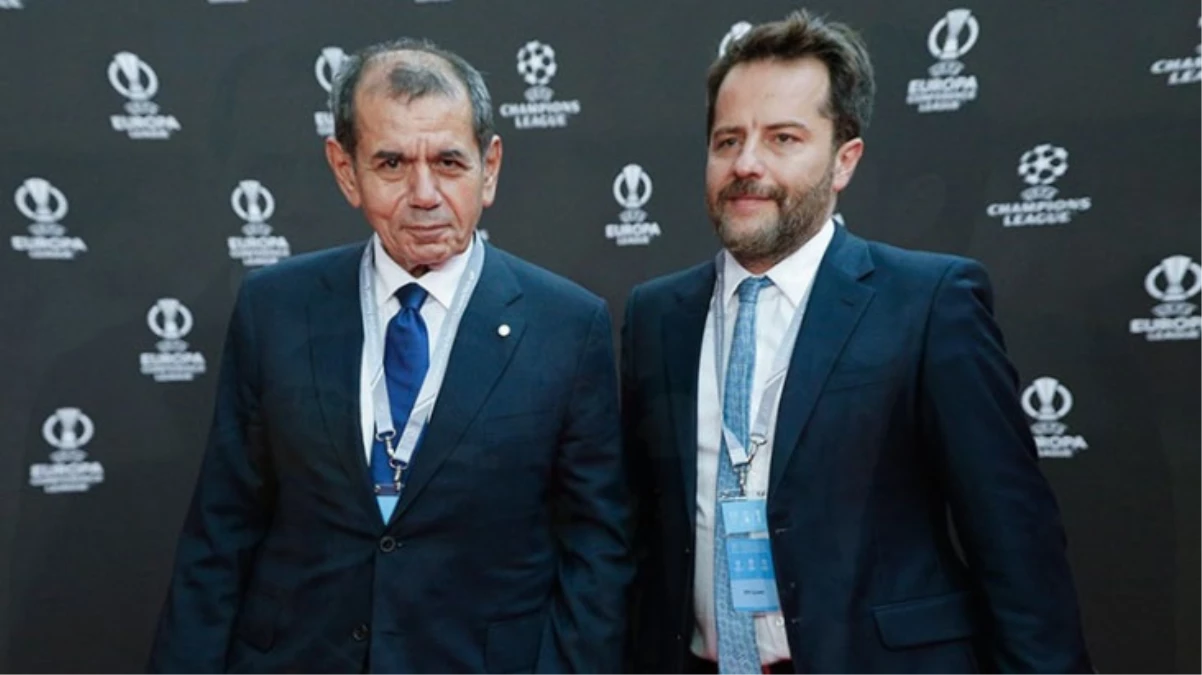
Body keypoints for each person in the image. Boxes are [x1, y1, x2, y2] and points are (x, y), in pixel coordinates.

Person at [621, 11, 1094, 675]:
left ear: (844, 160)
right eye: (728, 140)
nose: (746, 164)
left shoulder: (928, 303)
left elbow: (1016, 541)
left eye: (783, 138)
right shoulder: (656, 316)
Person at [147, 38, 630, 675]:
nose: (424, 193)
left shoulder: (566, 326)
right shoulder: (276, 308)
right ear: (346, 170)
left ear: (489, 167)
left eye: (449, 163)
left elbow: (596, 552)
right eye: (393, 163)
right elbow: (221, 530)